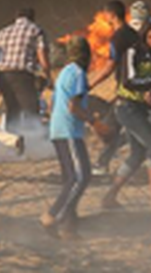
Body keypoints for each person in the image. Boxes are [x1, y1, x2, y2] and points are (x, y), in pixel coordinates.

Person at [102, 22, 151, 209]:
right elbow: (129, 81)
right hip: (127, 107)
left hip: (141, 108)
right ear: (144, 37)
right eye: (150, 37)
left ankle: (110, 196)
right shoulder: (133, 52)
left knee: (138, 154)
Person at [42, 37, 95, 239]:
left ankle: (68, 228)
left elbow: (52, 105)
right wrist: (93, 121)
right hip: (69, 131)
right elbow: (74, 107)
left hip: (58, 130)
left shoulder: (64, 72)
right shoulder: (78, 73)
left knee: (71, 178)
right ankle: (53, 215)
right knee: (80, 177)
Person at [88, 0, 136, 172]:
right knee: (123, 126)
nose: (104, 17)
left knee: (110, 128)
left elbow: (109, 67)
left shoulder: (118, 37)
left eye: (105, 14)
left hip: (126, 89)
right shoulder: (133, 33)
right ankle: (105, 162)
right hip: (136, 87)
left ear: (112, 15)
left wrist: (90, 84)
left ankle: (102, 163)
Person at [0, 8, 50, 134]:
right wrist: (49, 77)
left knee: (12, 110)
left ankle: (13, 143)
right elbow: (42, 57)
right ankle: (33, 143)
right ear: (32, 18)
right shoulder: (36, 30)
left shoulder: (2, 32)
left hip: (3, 77)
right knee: (31, 110)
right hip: (22, 76)